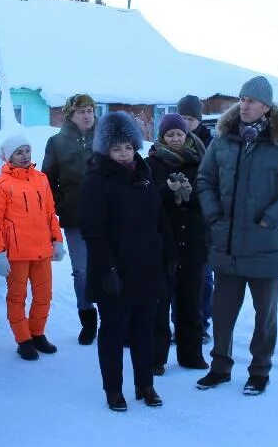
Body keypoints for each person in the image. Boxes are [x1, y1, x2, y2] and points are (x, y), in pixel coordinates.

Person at [195, 76, 278, 395]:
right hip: (227, 245)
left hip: (266, 247)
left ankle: (259, 371)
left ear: (266, 107)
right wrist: (213, 216)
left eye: (251, 100)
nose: (244, 105)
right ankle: (219, 367)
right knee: (222, 314)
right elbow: (204, 180)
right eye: (242, 99)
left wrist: (273, 217)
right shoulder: (223, 140)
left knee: (265, 316)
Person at [81, 112, 174, 412]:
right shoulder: (97, 181)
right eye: (117, 148)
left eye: (128, 147)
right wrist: (107, 269)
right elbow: (92, 231)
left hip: (147, 268)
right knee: (114, 330)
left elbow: (161, 221)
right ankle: (113, 389)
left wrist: (168, 257)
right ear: (106, 150)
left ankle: (145, 384)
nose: (124, 154)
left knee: (145, 328)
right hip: (115, 270)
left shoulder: (145, 178)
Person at [0, 133, 66, 361]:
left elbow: (51, 213)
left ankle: (37, 333)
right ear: (8, 156)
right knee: (17, 297)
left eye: (27, 150)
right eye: (18, 152)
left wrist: (57, 240)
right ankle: (23, 339)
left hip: (41, 250)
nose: (24, 156)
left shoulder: (41, 179)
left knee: (43, 296)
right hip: (16, 254)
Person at [146, 113, 209, 374]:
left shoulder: (201, 161)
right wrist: (167, 190)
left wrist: (190, 194)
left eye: (179, 134)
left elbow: (208, 194)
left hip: (194, 240)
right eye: (170, 134)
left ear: (187, 136)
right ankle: (156, 358)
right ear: (162, 136)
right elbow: (148, 198)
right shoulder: (152, 162)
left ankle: (191, 354)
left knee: (190, 302)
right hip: (164, 242)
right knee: (160, 303)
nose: (175, 139)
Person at [43, 93, 98, 344]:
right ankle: (87, 318)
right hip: (75, 215)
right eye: (81, 111)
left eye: (90, 110)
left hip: (106, 215)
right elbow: (47, 179)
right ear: (70, 115)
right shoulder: (57, 143)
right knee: (82, 271)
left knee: (111, 265)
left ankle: (114, 318)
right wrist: (61, 202)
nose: (87, 115)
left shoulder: (104, 137)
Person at [178, 94, 215, 343]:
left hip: (202, 217)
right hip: (176, 219)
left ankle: (202, 323)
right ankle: (178, 323)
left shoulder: (210, 144)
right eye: (183, 117)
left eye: (190, 118)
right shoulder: (171, 140)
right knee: (177, 277)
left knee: (204, 276)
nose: (186, 122)